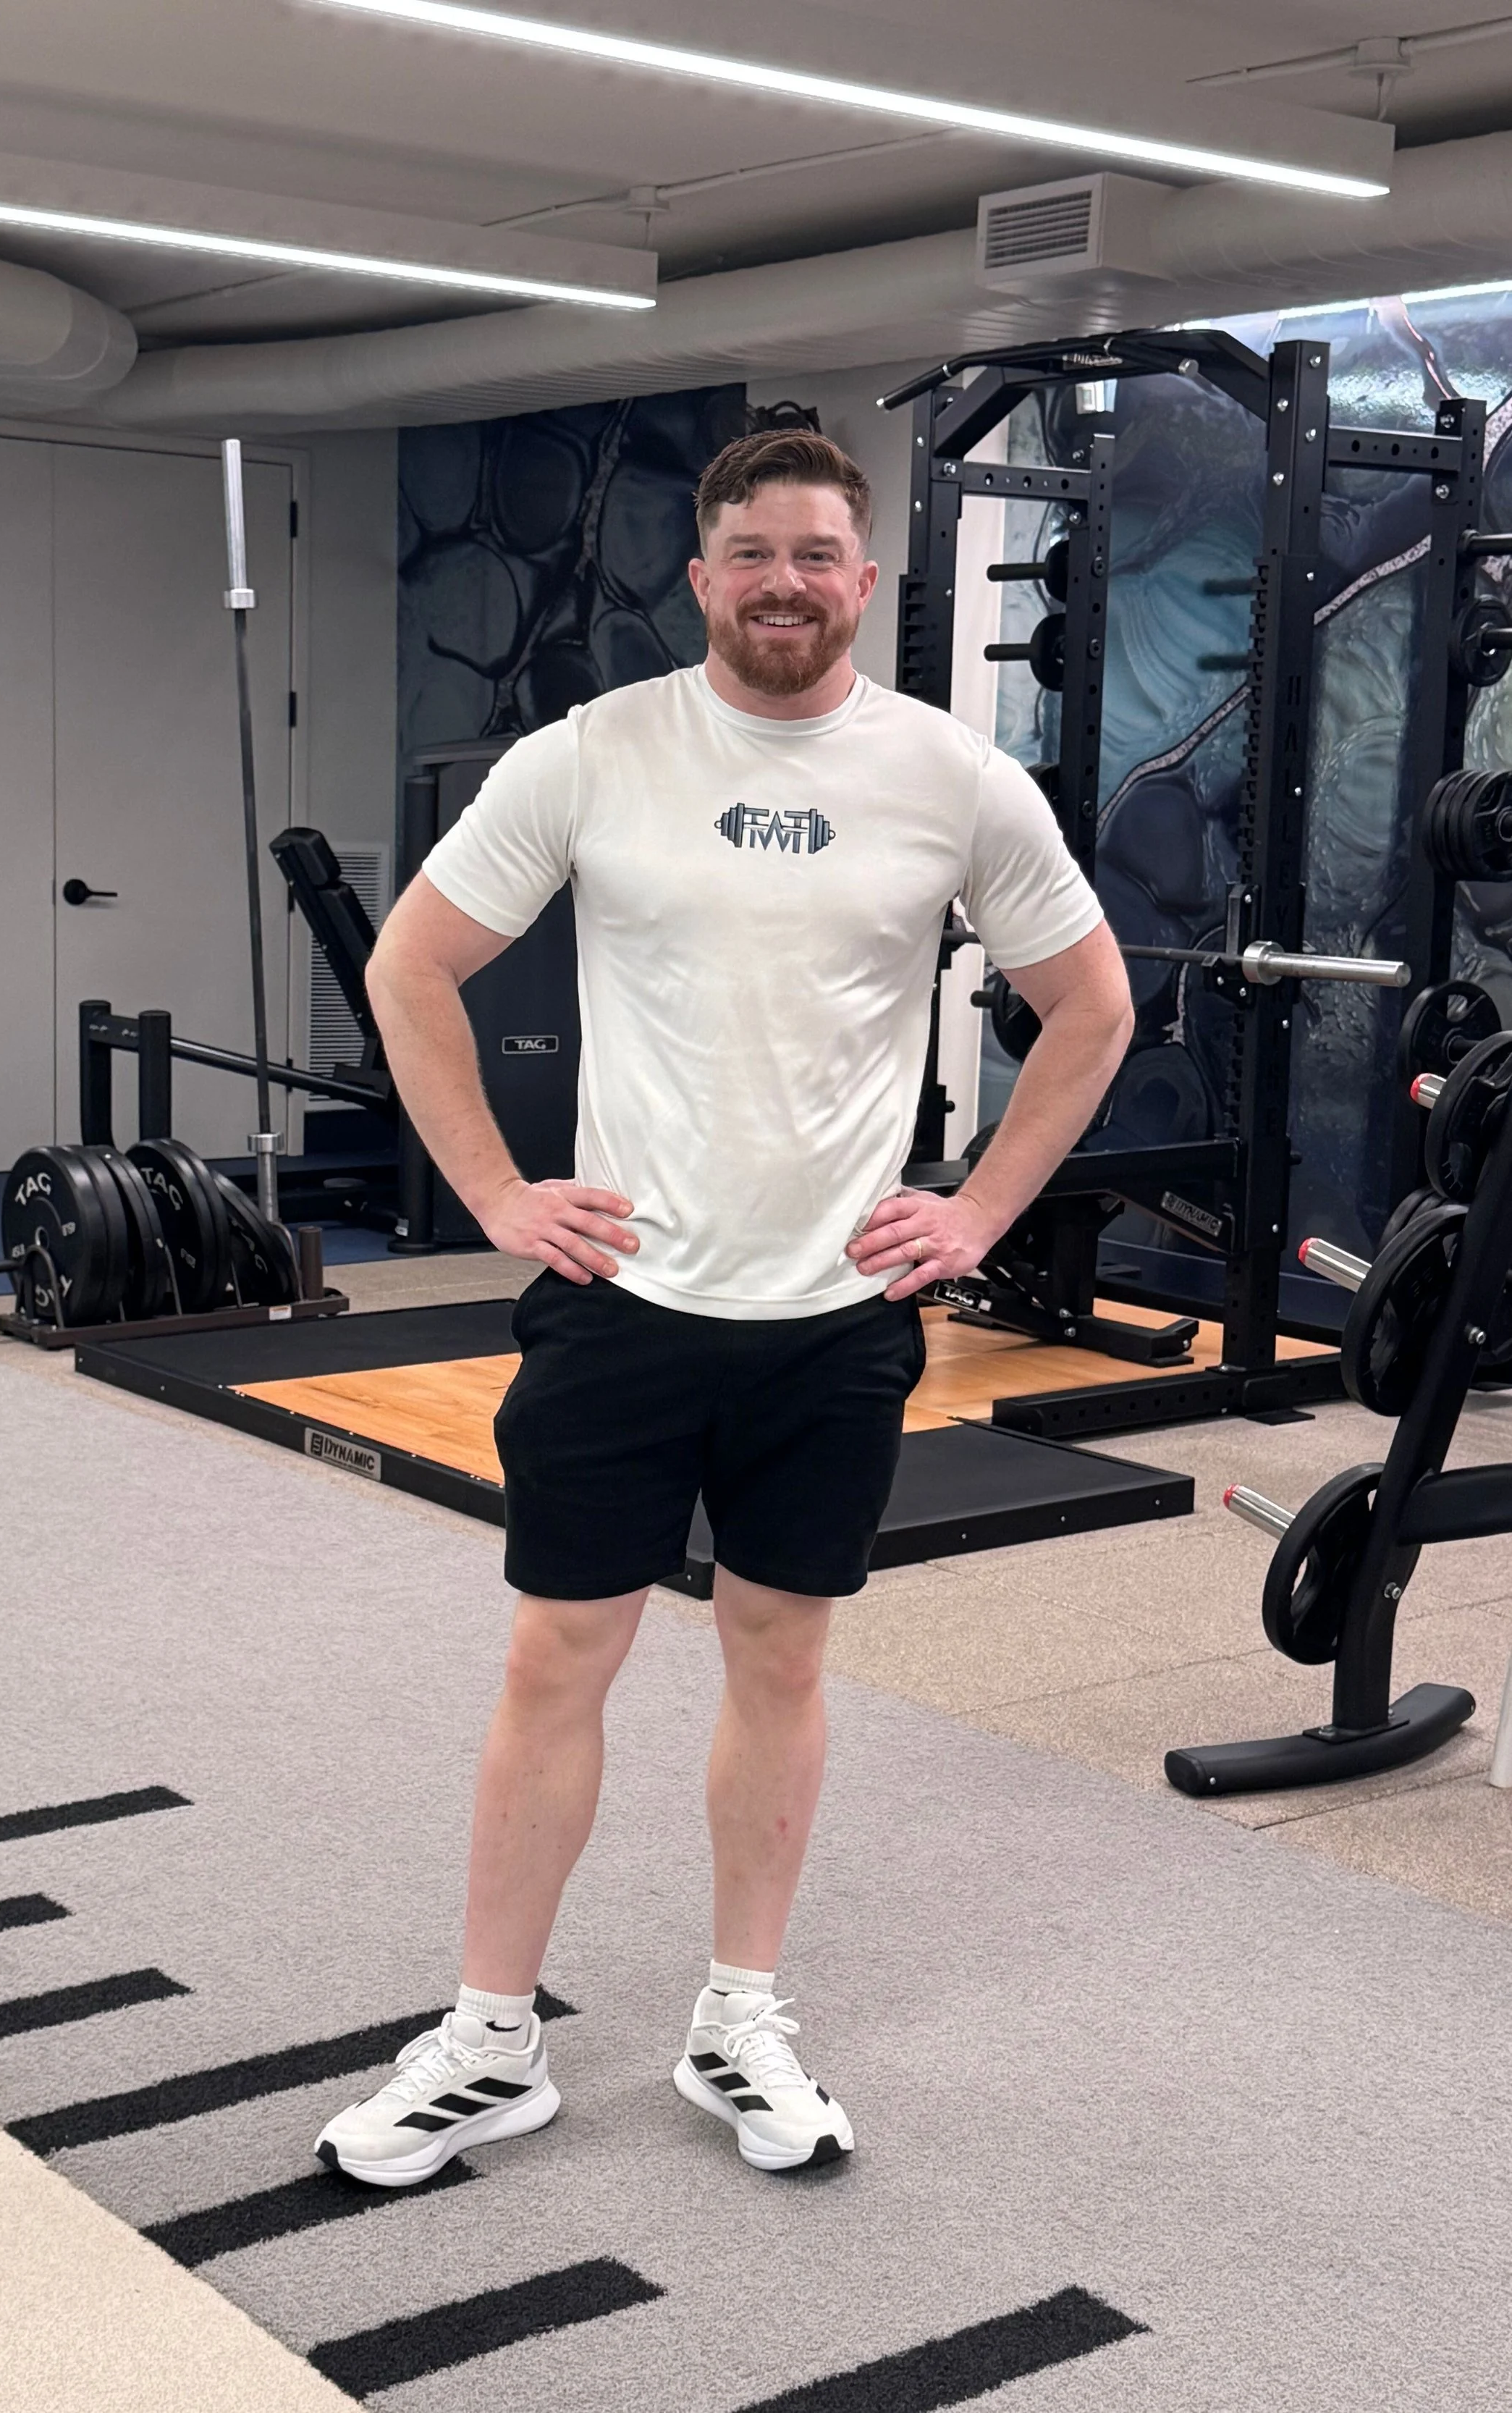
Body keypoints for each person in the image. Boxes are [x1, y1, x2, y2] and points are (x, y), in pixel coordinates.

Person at [316, 428, 1132, 2188]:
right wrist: (492, 1193)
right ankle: (488, 2037)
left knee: (781, 1656)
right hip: (625, 1299)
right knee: (558, 1658)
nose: (783, 581)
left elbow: (1089, 1007)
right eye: (749, 552)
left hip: (834, 1320)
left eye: (817, 553)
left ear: (862, 577)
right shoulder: (597, 753)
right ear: (699, 579)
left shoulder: (950, 777)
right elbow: (410, 967)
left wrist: (980, 1204)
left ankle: (734, 2018)